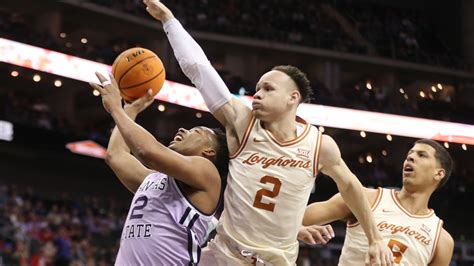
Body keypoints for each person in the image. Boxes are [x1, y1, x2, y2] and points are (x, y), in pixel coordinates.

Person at [142, 1, 393, 265]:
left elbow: (352, 186)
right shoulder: (242, 123)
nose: (258, 94)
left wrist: (375, 238)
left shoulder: (319, 145)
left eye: (268, 89)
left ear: (292, 98)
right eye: (258, 88)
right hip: (223, 256)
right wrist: (169, 20)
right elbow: (199, 69)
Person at [89, 73, 229, 265]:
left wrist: (115, 109)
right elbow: (116, 155)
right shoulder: (153, 179)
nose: (182, 130)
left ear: (209, 151)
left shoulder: (207, 173)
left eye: (195, 131)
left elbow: (146, 152)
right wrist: (130, 110)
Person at [300, 139, 455, 265]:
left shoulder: (442, 240)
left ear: (439, 173)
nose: (411, 157)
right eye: (410, 154)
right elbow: (293, 219)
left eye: (422, 155)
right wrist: (298, 229)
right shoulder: (365, 198)